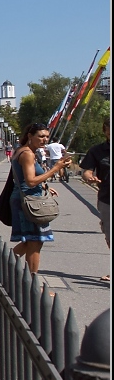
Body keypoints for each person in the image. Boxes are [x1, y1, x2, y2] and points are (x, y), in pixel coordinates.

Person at [10, 123, 70, 274]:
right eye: (41, 136)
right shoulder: (28, 154)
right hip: (30, 202)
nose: (45, 140)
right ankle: (32, 284)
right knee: (35, 241)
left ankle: (0, 263)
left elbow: (25, 178)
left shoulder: (23, 151)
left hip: (27, 198)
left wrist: (44, 186)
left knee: (31, 241)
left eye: (47, 136)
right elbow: (30, 181)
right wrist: (56, 168)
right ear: (30, 136)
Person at [79, 116, 110, 281]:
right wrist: (89, 177)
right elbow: (86, 171)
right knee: (110, 235)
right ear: (105, 131)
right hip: (107, 199)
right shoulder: (97, 151)